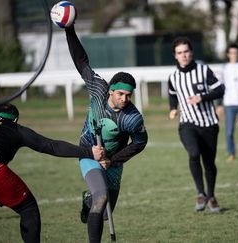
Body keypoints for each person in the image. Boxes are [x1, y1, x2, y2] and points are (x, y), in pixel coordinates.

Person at [0, 103, 105, 243]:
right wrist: (89, 152)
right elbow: (50, 146)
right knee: (28, 209)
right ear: (15, 119)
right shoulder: (14, 128)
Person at [64, 24, 148, 243]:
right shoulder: (99, 89)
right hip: (88, 151)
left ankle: (87, 202)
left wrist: (112, 160)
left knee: (103, 210)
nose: (125, 99)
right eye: (120, 93)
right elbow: (81, 61)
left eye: (129, 95)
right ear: (111, 90)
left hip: (113, 161)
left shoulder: (132, 117)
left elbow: (140, 142)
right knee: (101, 198)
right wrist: (69, 30)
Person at [168, 37, 225, 213]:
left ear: (191, 53)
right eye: (180, 53)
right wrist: (173, 108)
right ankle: (200, 193)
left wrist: (202, 97)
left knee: (209, 163)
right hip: (187, 123)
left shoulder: (203, 70)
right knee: (193, 153)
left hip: (209, 123)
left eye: (186, 52)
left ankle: (211, 196)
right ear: (175, 56)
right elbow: (172, 94)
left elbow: (220, 89)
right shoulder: (173, 77)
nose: (183, 55)